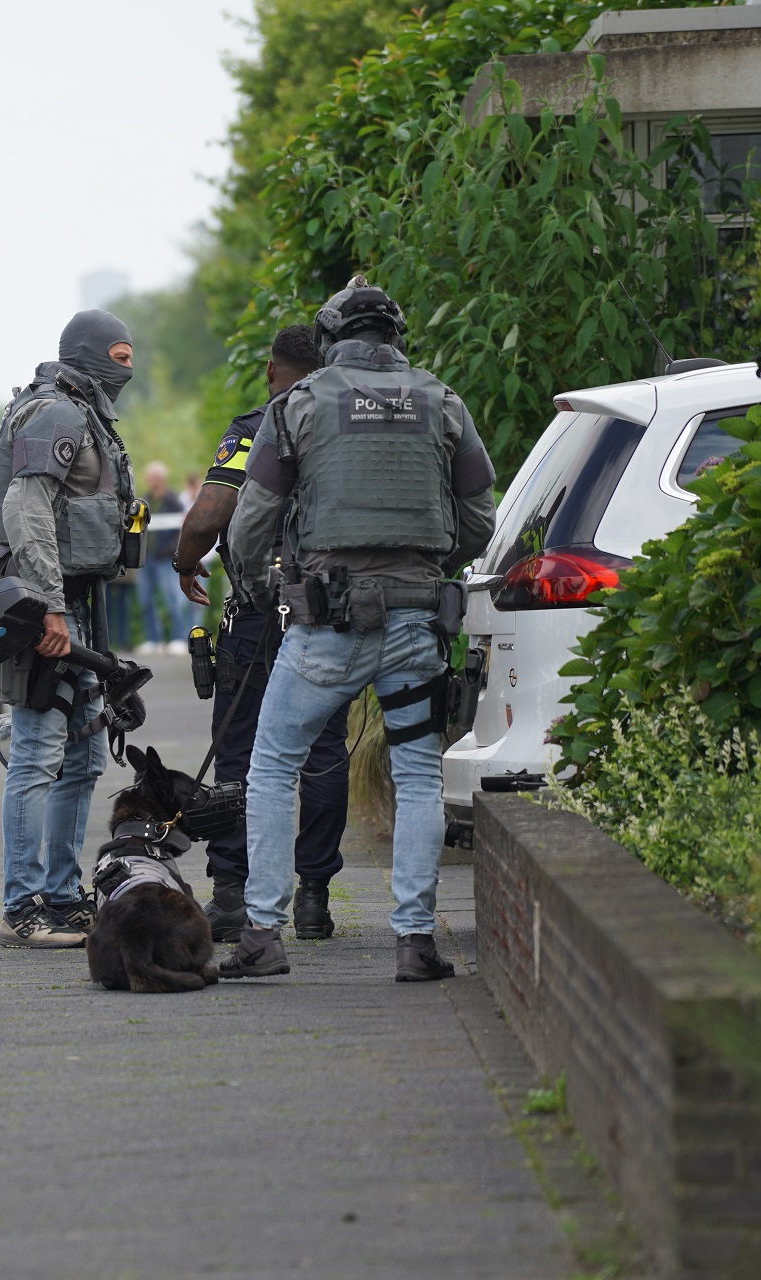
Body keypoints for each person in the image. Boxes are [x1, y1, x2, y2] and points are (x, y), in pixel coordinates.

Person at [219, 278, 496, 982]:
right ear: (397, 339)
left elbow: (253, 517)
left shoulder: (297, 407)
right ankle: (415, 943)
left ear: (329, 341)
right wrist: (427, 559)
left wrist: (253, 581)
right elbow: (479, 519)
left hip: (324, 626)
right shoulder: (445, 403)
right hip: (415, 625)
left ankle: (262, 934)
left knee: (274, 764)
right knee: (417, 771)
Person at [172, 324, 348, 943]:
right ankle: (314, 898)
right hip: (329, 607)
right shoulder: (345, 422)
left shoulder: (255, 426)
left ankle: (230, 893)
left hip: (257, 608)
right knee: (324, 749)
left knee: (240, 750)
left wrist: (187, 559)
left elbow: (211, 517)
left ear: (274, 370)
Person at [0, 309, 138, 948]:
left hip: (81, 603)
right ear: (90, 354)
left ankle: (65, 895)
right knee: (41, 754)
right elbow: (26, 506)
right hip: (46, 607)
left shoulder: (83, 411)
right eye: (120, 356)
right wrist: (48, 604)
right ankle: (24, 907)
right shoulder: (57, 412)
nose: (128, 368)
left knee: (85, 753)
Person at [134, 461, 194, 655]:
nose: (150, 482)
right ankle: (153, 639)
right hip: (146, 558)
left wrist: (171, 550)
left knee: (172, 599)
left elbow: (180, 530)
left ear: (161, 479)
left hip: (165, 558)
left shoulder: (173, 501)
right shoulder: (145, 500)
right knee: (146, 600)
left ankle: (178, 637)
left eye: (152, 478)